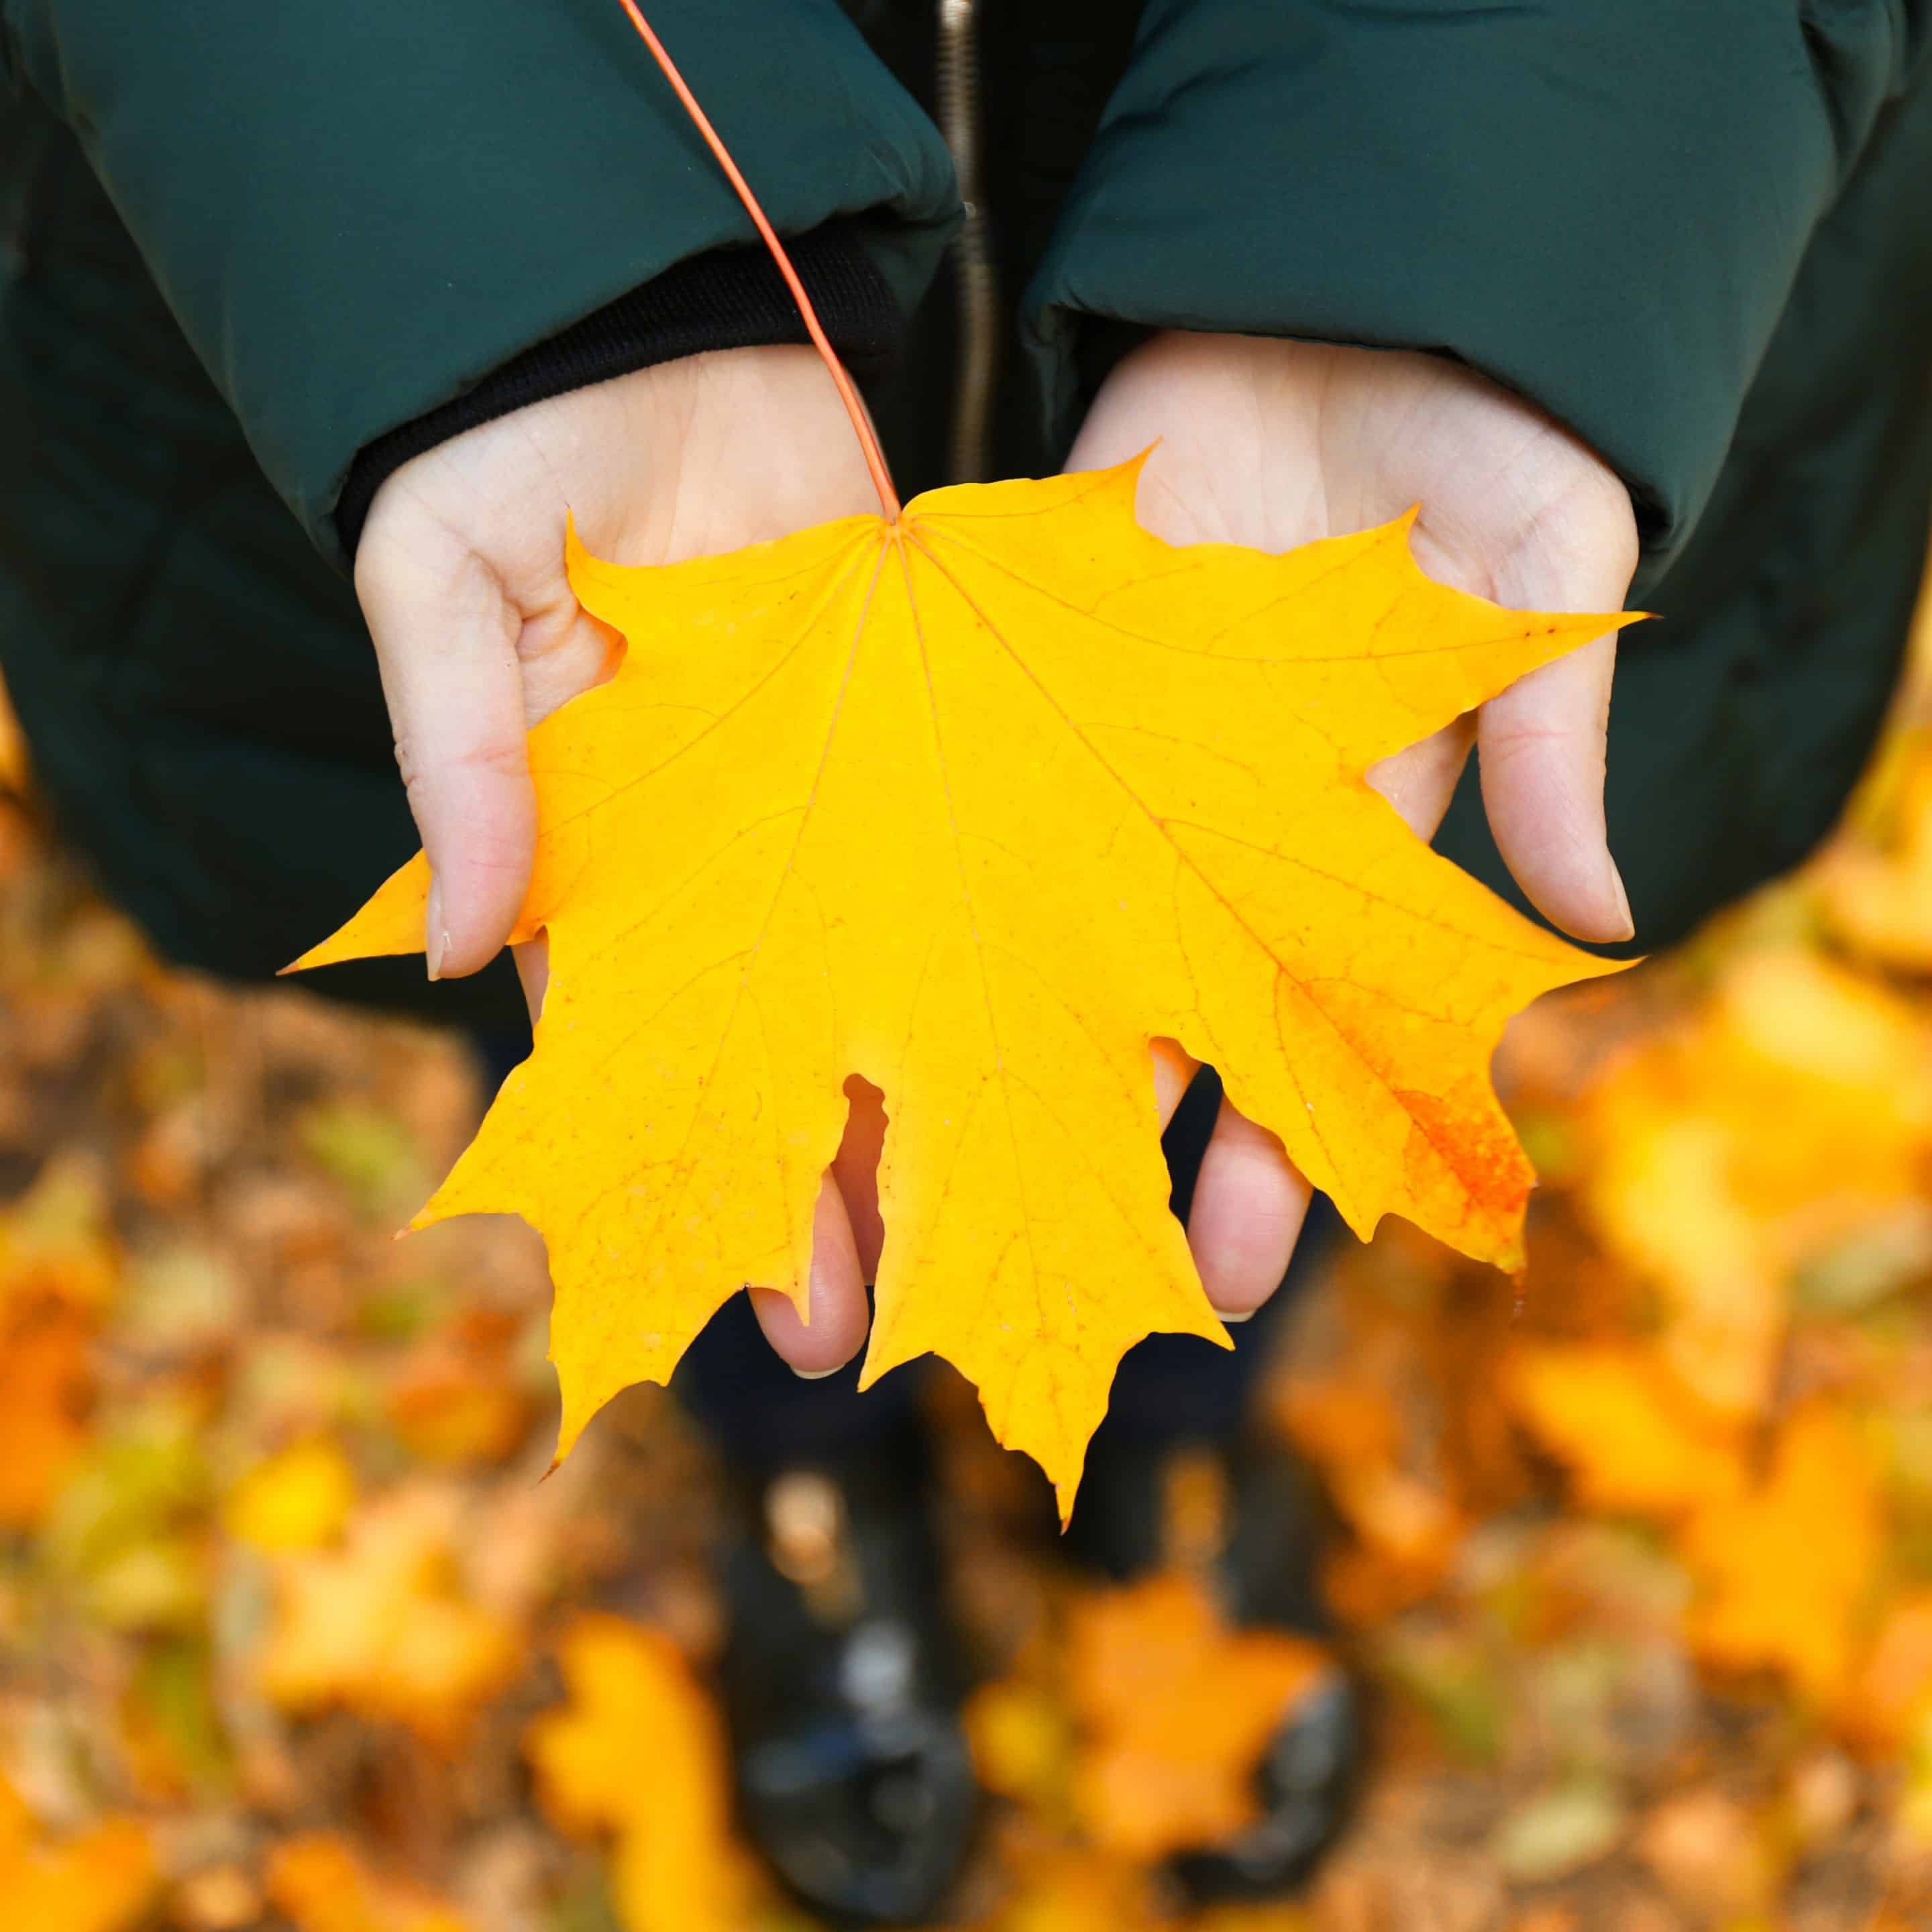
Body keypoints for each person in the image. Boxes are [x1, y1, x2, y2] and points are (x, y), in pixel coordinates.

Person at [3, 0, 1929, 1920]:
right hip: (448, 316)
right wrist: (537, 266)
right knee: (626, 996)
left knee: (1264, 1045)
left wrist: (1478, 216)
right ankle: (802, 1452)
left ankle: (1165, 1434)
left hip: (1466, 211)